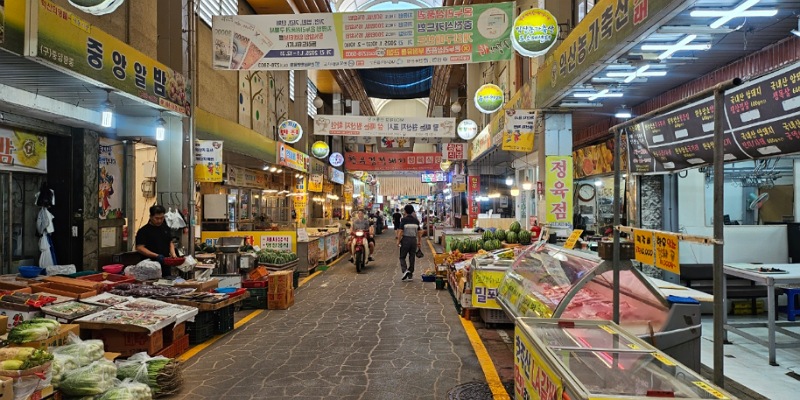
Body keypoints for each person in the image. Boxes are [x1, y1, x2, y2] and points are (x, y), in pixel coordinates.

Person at [135, 205, 176, 277]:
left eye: (162, 218)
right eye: (156, 218)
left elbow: (170, 242)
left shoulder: (165, 228)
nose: (159, 221)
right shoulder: (143, 231)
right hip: (149, 266)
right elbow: (140, 248)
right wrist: (156, 256)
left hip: (165, 265)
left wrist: (173, 255)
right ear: (150, 217)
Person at [396, 204, 422, 282]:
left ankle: (405, 270)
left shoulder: (404, 220)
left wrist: (398, 240)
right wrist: (419, 241)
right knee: (412, 257)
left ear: (405, 211)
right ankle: (410, 274)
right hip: (414, 240)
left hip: (406, 240)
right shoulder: (416, 221)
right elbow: (419, 232)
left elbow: (401, 231)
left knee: (402, 257)